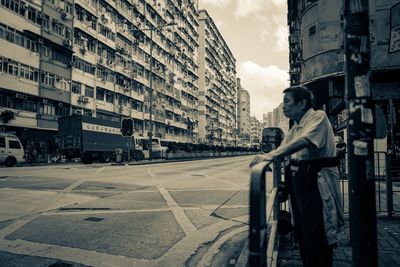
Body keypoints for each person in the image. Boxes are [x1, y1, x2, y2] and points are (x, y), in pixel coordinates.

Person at [250, 85, 344, 267]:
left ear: (302, 103)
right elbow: (283, 149)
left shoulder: (318, 117)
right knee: (302, 233)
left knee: (319, 234)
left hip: (318, 184)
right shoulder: (296, 127)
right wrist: (271, 157)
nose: (284, 107)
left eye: (287, 102)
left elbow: (305, 141)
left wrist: (271, 156)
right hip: (302, 185)